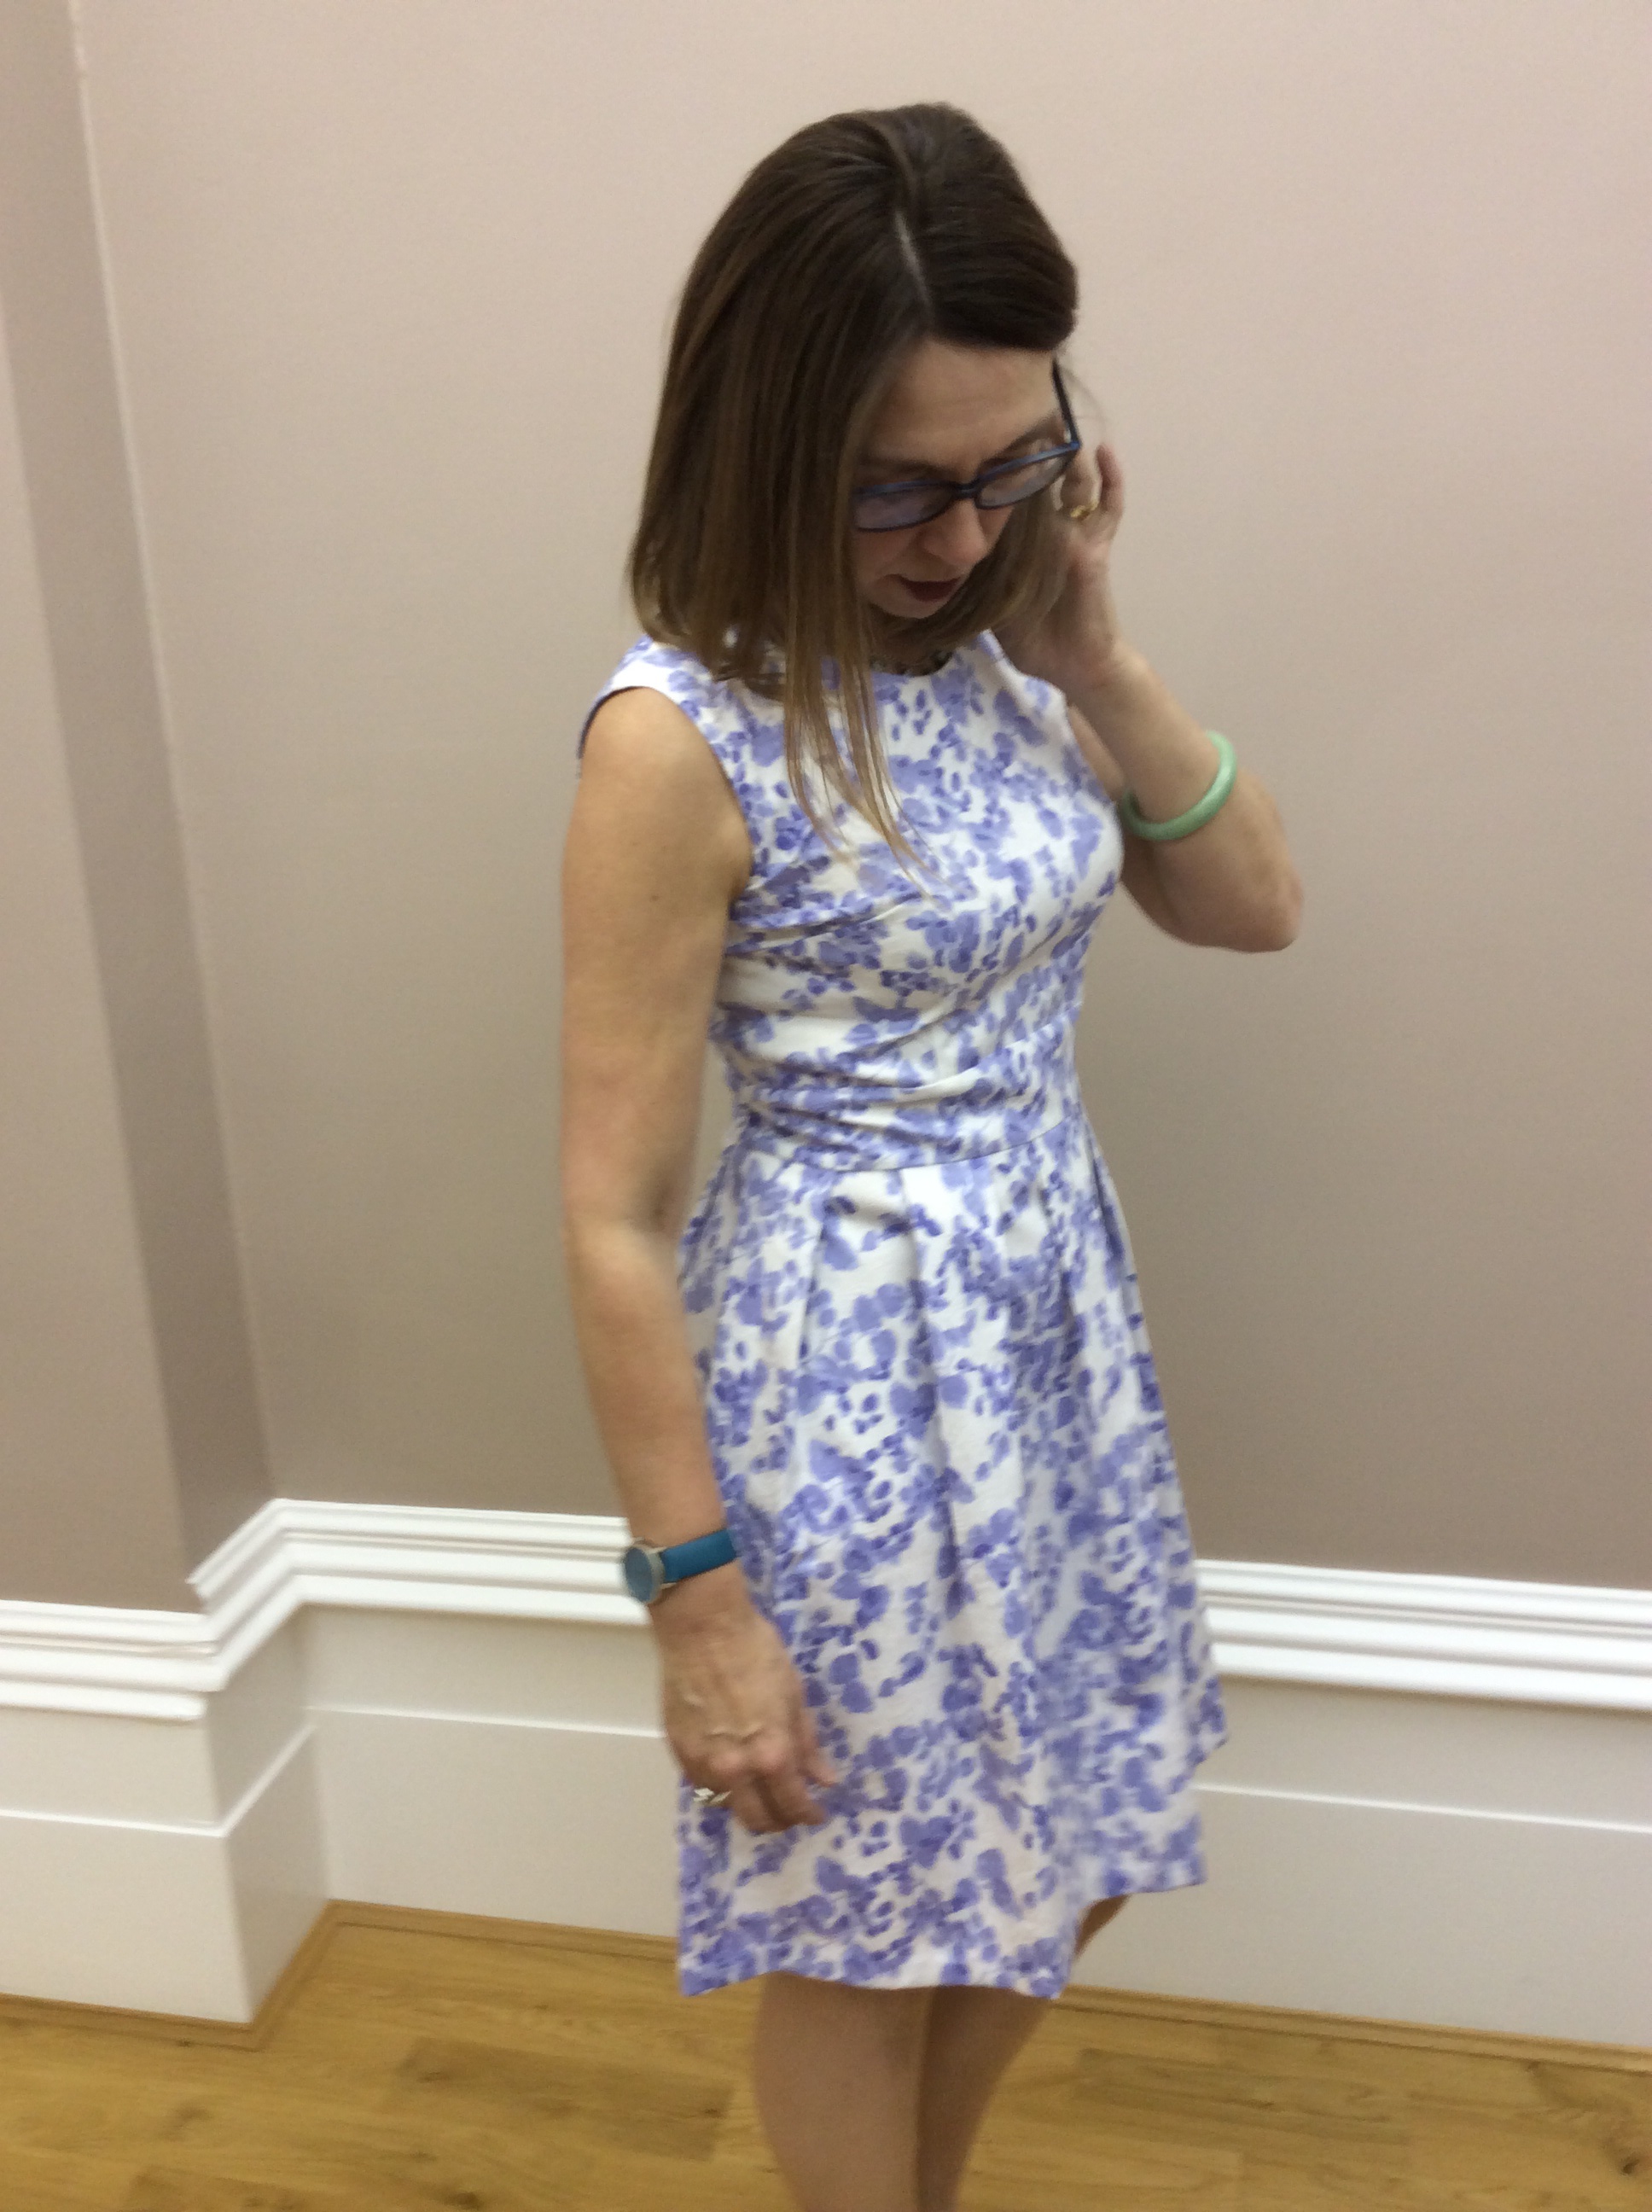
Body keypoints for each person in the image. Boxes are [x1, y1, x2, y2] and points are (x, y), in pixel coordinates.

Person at [561, 100, 1301, 2212]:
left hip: (1050, 1348)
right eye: (895, 485)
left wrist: (1092, 650)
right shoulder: (677, 736)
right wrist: (695, 1604)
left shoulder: (1000, 655)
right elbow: (609, 1212)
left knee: (1068, 1848)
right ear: (760, 445)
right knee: (867, 1921)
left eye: (1010, 469)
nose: (959, 537)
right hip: (844, 1384)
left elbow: (1250, 904)